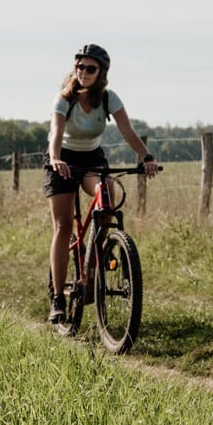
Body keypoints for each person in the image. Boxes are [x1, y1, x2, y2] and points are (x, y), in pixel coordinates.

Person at [46, 43, 158, 329]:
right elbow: (56, 133)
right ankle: (58, 298)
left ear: (101, 73)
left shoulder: (109, 99)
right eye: (79, 67)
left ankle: (101, 250)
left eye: (90, 68)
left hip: (92, 158)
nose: (83, 72)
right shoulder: (65, 98)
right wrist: (56, 159)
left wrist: (145, 156)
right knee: (62, 227)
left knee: (106, 190)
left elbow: (127, 131)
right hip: (64, 158)